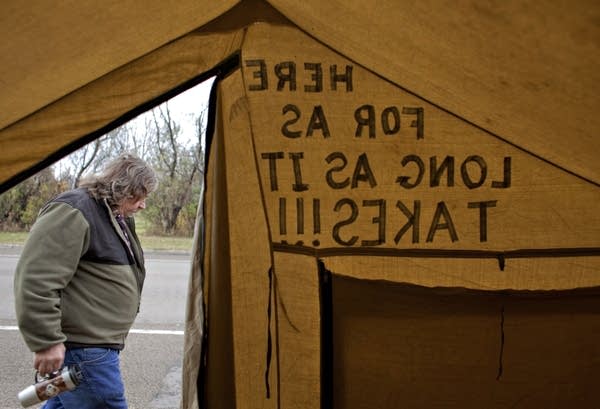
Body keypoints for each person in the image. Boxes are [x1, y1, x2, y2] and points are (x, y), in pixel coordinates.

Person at [14, 153, 158, 409]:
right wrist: (46, 341)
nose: (142, 205)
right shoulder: (76, 209)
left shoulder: (112, 215)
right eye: (140, 196)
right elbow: (36, 278)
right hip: (85, 351)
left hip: (92, 349)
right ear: (123, 187)